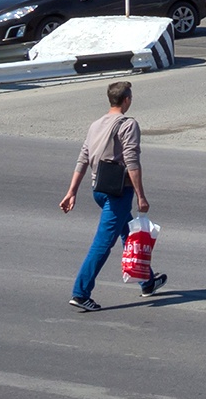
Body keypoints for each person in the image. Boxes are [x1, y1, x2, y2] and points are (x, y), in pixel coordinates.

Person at [59, 81, 165, 310]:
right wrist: (141, 196)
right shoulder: (128, 124)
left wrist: (71, 191)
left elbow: (83, 159)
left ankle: (147, 282)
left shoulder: (96, 125)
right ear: (126, 100)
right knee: (102, 244)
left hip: (98, 190)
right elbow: (132, 161)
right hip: (118, 193)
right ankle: (80, 293)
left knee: (128, 233)